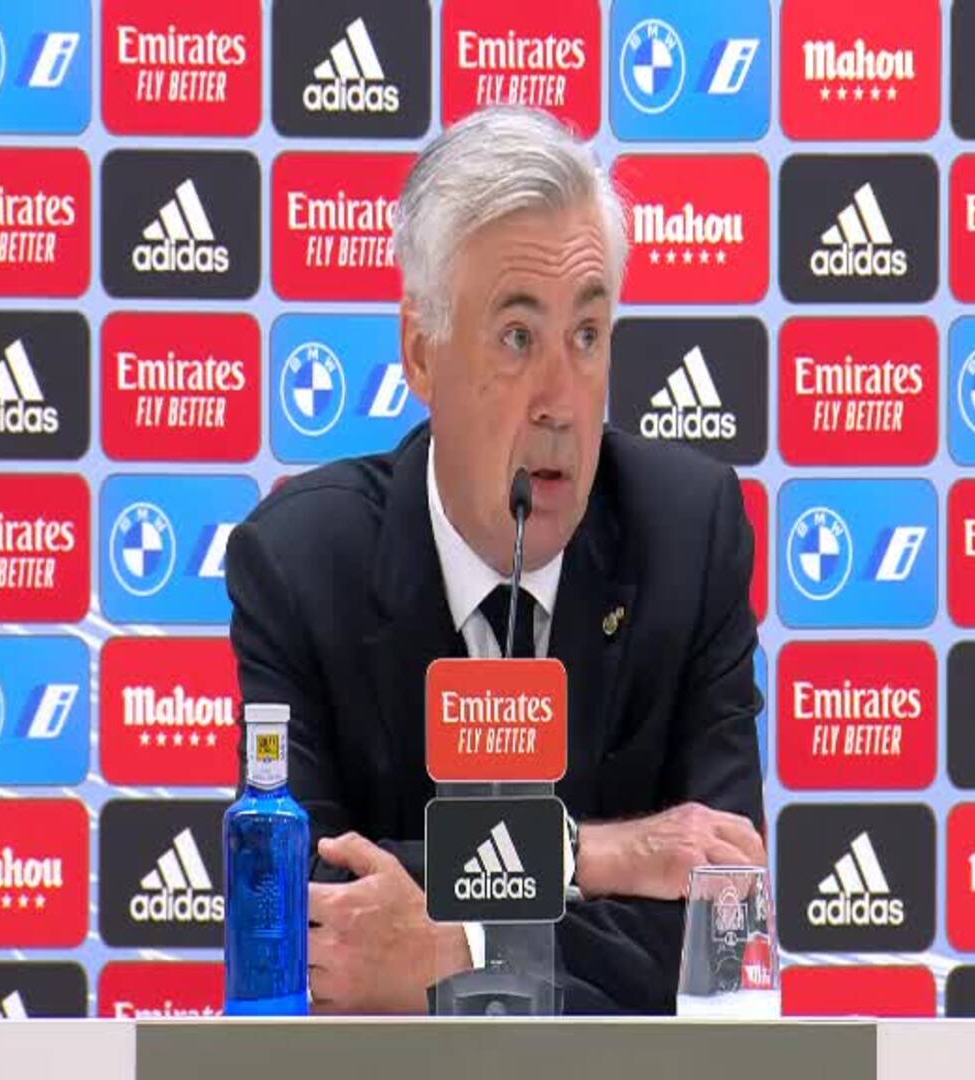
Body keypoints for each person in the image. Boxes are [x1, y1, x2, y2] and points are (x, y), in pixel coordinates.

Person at [225, 105, 765, 1015]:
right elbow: (307, 914)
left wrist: (456, 952)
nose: (561, 400)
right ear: (420, 353)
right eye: (518, 338)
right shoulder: (303, 565)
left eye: (586, 337)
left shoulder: (688, 534)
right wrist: (592, 855)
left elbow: (720, 922)